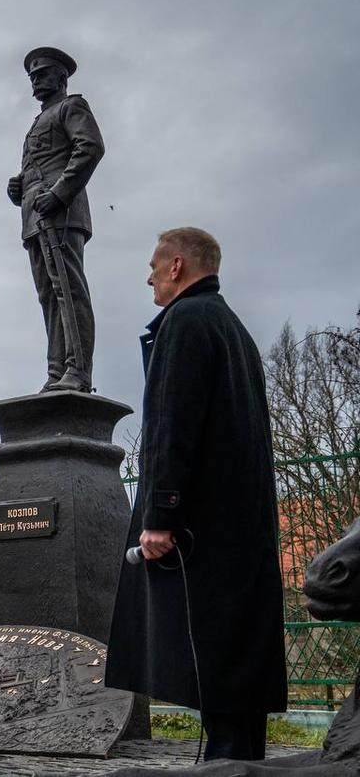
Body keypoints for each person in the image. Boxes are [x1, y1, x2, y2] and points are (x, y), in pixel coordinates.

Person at [105, 227, 287, 761]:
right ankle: (236, 764)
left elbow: (170, 427)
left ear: (178, 266)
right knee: (235, 677)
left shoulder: (183, 323)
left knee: (211, 664)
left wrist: (159, 516)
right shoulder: (232, 327)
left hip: (198, 531)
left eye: (155, 266)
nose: (149, 276)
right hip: (238, 528)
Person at [7, 46, 105, 393]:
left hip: (61, 215)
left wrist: (60, 193)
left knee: (69, 291)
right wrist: (19, 186)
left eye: (42, 73)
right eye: (32, 76)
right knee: (49, 296)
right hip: (35, 218)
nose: (35, 80)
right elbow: (39, 165)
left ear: (61, 77)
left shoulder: (71, 107)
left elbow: (90, 148)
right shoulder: (37, 122)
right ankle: (56, 372)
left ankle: (78, 372)